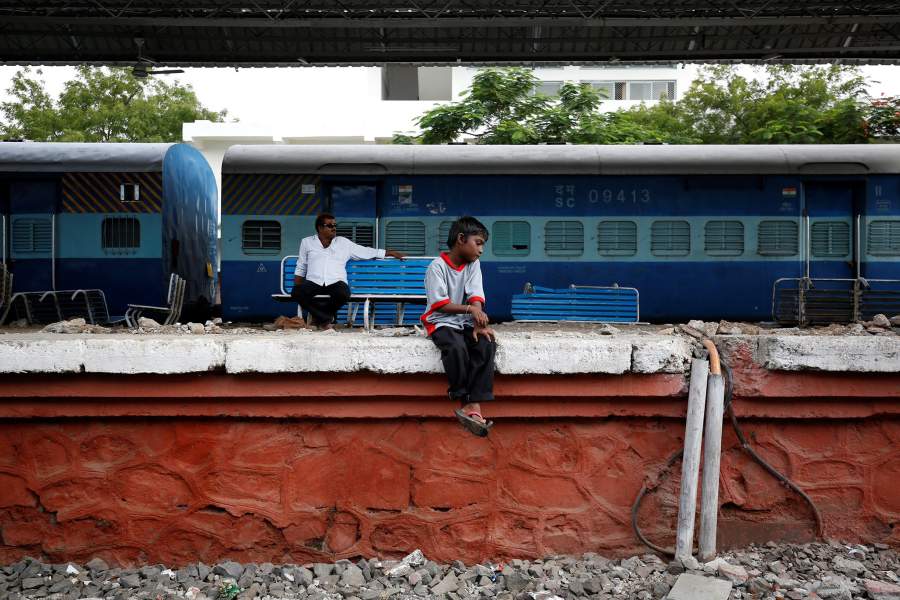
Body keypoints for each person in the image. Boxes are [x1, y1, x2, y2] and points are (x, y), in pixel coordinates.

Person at [421, 216, 497, 437]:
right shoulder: (437, 267)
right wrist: (471, 311)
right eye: (478, 242)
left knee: (485, 344)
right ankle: (464, 399)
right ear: (461, 239)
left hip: (463, 321)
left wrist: (478, 323)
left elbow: (475, 294)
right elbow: (439, 304)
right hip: (440, 321)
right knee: (455, 347)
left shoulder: (473, 265)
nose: (481, 250)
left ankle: (475, 405)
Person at [292, 213, 405, 329]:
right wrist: (298, 287)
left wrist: (387, 252)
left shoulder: (343, 243)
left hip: (336, 281)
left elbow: (364, 251)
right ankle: (325, 318)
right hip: (314, 281)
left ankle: (321, 317)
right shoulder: (307, 242)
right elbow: (301, 266)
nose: (334, 228)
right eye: (330, 226)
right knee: (296, 293)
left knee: (344, 293)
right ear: (320, 228)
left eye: (335, 225)